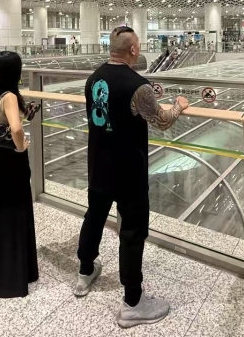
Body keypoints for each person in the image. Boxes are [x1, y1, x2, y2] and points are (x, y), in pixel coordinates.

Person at [74, 26, 189, 328]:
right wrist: (179, 106)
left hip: (99, 164)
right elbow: (161, 121)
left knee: (94, 216)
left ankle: (85, 271)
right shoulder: (139, 86)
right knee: (132, 232)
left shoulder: (93, 78)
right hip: (128, 171)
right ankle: (133, 302)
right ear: (134, 50)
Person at [0, 51, 38, 298]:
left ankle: (12, 270)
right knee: (16, 212)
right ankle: (11, 279)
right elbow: (15, 128)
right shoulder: (10, 96)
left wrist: (26, 114)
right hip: (11, 161)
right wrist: (21, 146)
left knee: (5, 213)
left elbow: (4, 122)